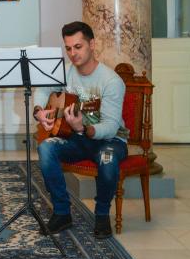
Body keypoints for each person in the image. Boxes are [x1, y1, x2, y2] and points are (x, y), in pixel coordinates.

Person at [34, 21, 128, 239]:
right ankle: (62, 212)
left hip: (109, 140)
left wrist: (84, 128)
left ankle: (102, 214)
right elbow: (43, 88)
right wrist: (40, 111)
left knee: (107, 158)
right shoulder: (65, 72)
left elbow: (111, 125)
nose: (72, 53)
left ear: (92, 44)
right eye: (68, 48)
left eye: (78, 47)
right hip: (76, 138)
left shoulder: (111, 81)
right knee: (46, 147)